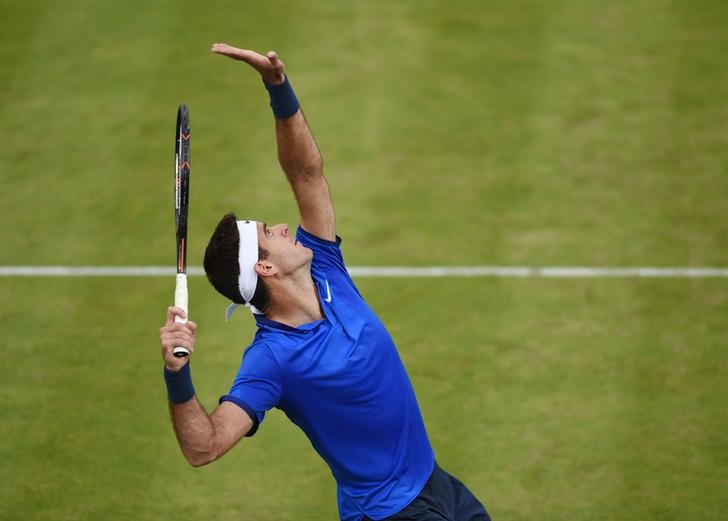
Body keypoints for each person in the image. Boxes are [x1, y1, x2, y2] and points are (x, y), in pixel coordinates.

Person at [158, 43, 491, 521]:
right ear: (265, 268)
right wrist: (177, 374)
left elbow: (306, 174)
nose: (282, 226)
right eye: (268, 233)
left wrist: (278, 88)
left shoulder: (325, 268)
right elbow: (203, 447)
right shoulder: (272, 360)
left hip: (439, 486)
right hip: (389, 514)